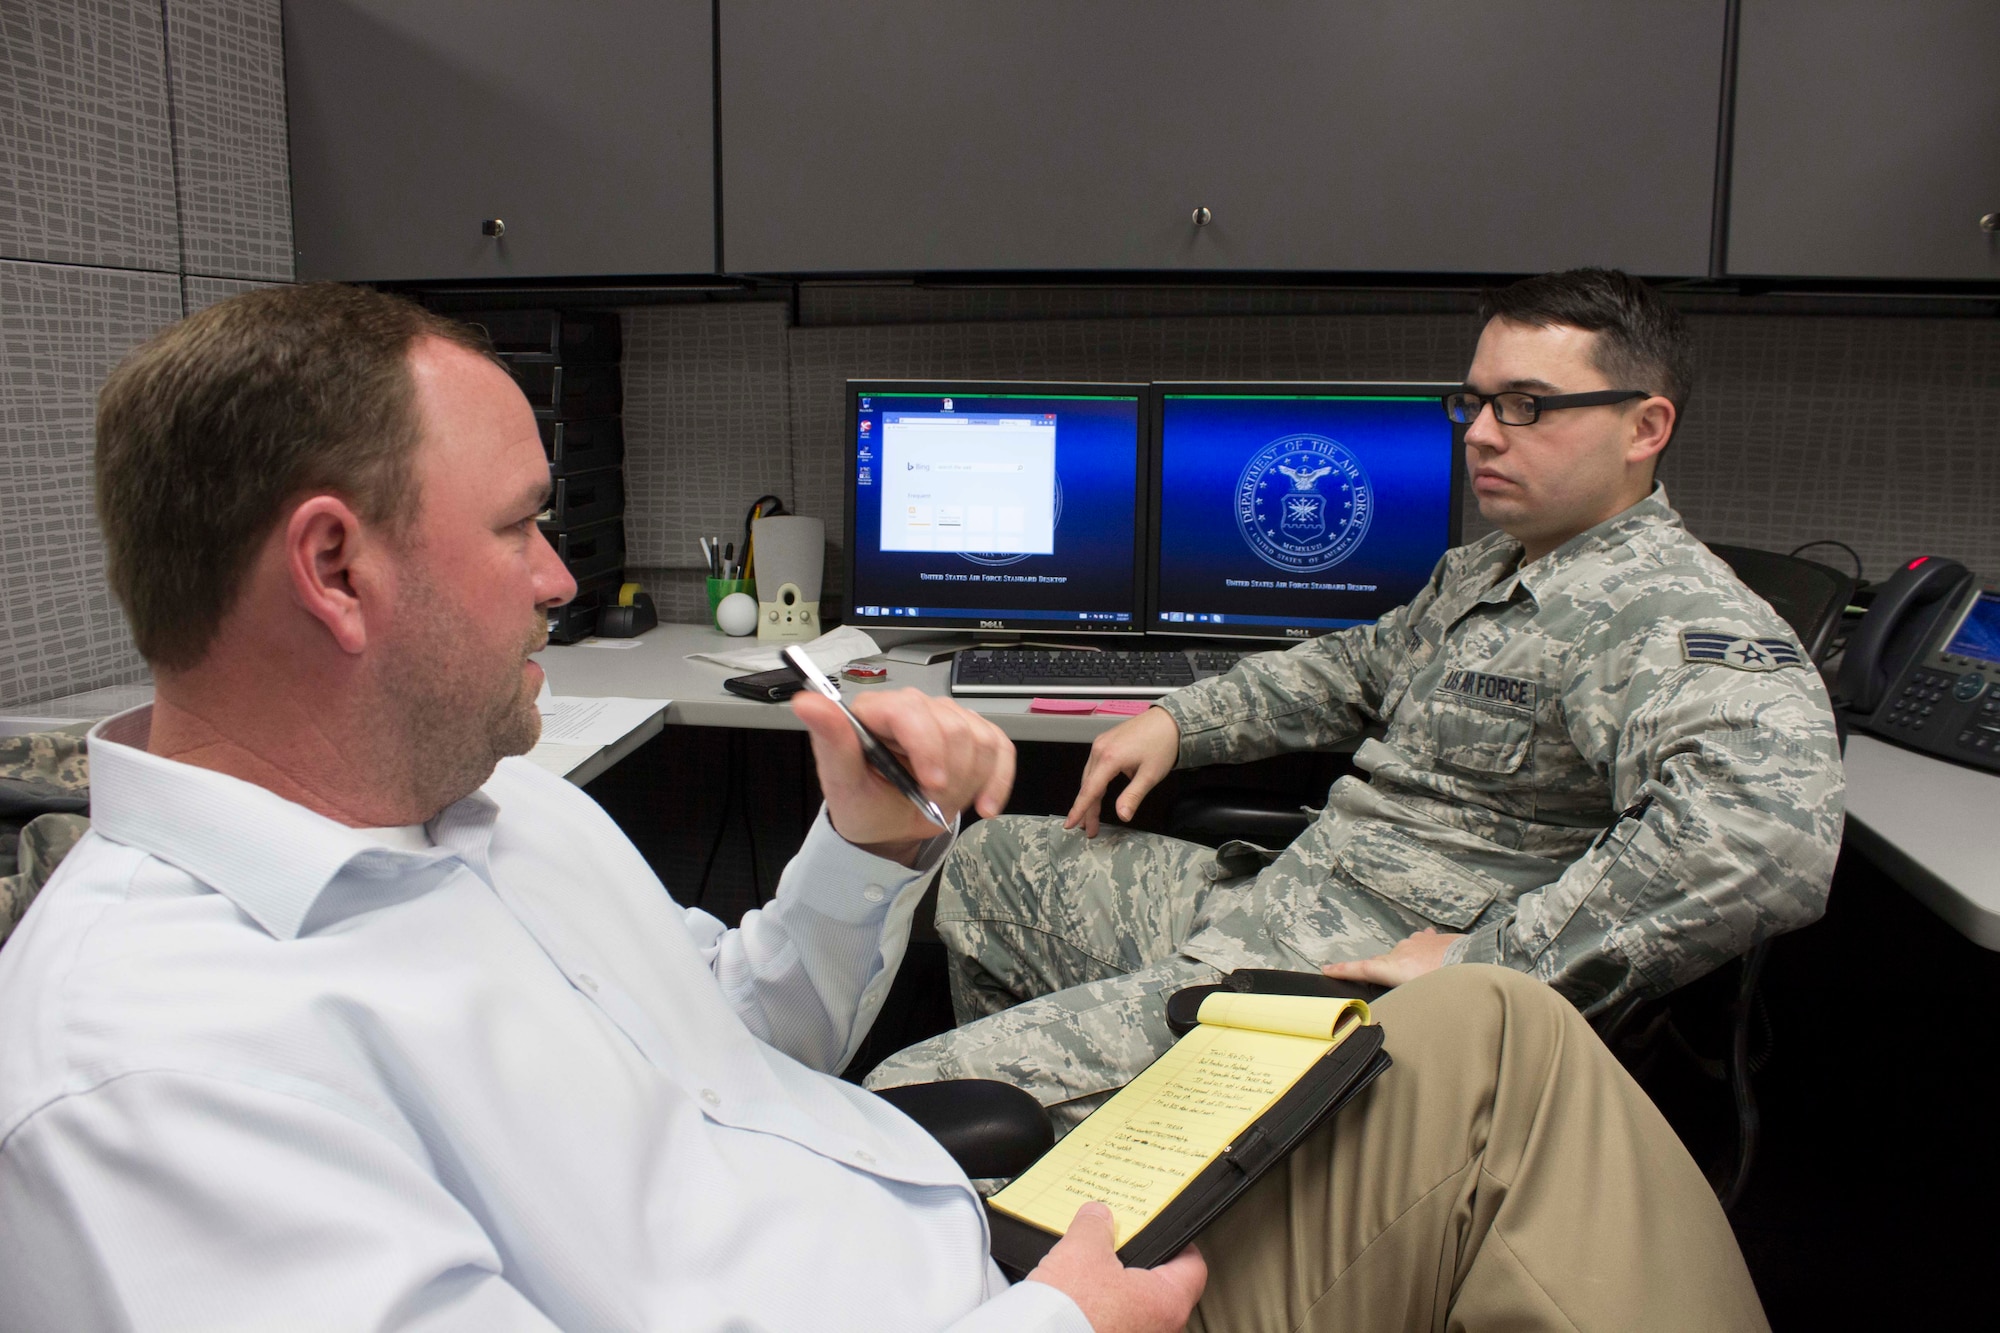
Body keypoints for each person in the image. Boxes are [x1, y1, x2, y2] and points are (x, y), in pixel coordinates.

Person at [0, 284, 1771, 1331]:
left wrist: (859, 850)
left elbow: (712, 1044)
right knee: (1510, 1066)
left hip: (950, 1242)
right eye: (522, 526)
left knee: (1496, 1035)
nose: (566, 576)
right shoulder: (154, 1073)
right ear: (334, 566)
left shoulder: (492, 811)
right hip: (994, 1298)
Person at [866, 269, 1844, 1131]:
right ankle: (1101, 1187)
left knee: (906, 1111)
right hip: (1292, 899)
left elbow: (1768, 839)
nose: (1482, 433)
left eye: (1528, 406)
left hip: (1353, 994)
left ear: (1645, 426)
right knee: (987, 866)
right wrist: (1179, 720)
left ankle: (1063, 1173)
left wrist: (1481, 968)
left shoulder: (1667, 616)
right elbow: (1355, 667)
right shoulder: (1492, 567)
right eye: (1476, 402)